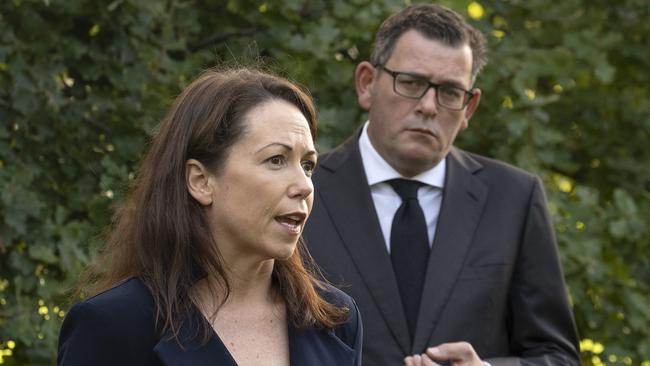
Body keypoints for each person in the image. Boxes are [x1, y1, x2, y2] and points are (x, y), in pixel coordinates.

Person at [303, 4, 579, 366]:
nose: (429, 106)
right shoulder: (303, 191)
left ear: (469, 108)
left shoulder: (514, 199)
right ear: (367, 83)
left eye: (449, 92)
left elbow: (557, 356)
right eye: (412, 83)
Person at [57, 68, 362, 366]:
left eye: (307, 165)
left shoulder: (335, 319)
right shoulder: (114, 325)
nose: (304, 185)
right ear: (201, 181)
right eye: (276, 160)